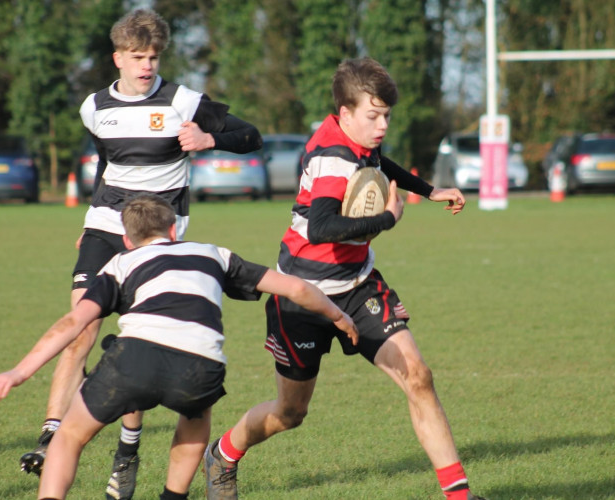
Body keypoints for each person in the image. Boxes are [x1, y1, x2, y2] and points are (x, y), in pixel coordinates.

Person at [203, 57, 486, 500]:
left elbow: (379, 163)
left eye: (387, 115)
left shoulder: (358, 138)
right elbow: (322, 228)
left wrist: (429, 190)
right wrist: (388, 218)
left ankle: (459, 495)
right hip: (302, 295)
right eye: (373, 116)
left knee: (418, 376)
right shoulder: (333, 156)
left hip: (357, 285)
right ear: (345, 113)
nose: (382, 126)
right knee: (291, 412)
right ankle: (223, 453)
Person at [18, 8, 263, 499]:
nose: (147, 65)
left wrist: (210, 138)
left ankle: (127, 449)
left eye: (153, 57)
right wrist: (88, 219)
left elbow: (252, 136)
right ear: (118, 59)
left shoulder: (184, 101)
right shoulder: (94, 107)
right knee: (81, 327)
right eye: (137, 57)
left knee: (138, 338)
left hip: (158, 238)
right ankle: (50, 435)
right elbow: (108, 161)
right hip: (106, 227)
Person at [0, 193, 358, 500]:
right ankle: (172, 496)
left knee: (69, 435)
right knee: (196, 415)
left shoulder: (120, 263)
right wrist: (338, 316)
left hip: (135, 358)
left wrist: (19, 371)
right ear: (174, 229)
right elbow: (295, 287)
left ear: (128, 239)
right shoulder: (213, 253)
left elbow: (75, 322)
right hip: (199, 365)